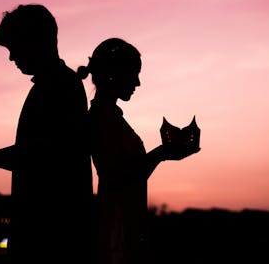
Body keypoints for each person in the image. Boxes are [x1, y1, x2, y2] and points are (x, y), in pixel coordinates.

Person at [0, 4, 95, 264]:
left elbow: (46, 151)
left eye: (14, 48)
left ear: (36, 41)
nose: (11, 58)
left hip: (52, 235)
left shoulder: (60, 86)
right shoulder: (56, 85)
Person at [77, 37, 200, 264]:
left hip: (124, 221)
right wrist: (161, 154)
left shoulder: (109, 116)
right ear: (114, 73)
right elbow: (114, 175)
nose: (138, 83)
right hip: (116, 225)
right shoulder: (102, 118)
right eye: (134, 74)